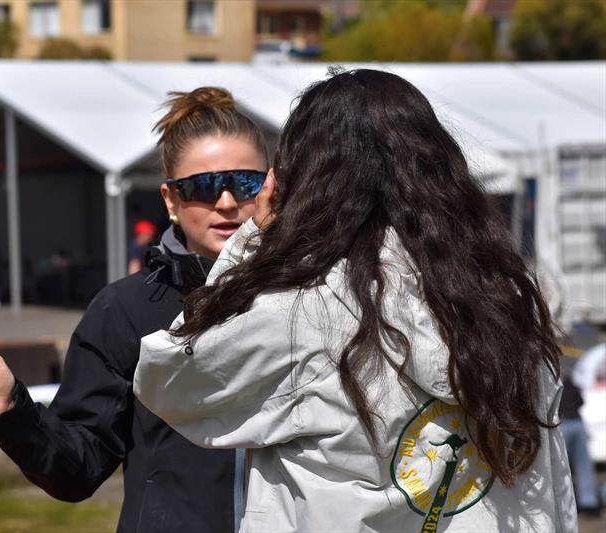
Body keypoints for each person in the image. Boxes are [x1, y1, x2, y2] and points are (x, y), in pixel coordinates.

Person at [134, 69, 577, 532]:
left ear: (302, 184)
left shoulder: (300, 310)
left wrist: (254, 243)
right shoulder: (507, 302)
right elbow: (550, 482)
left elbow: (170, 379)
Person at [0, 87, 269, 532]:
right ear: (171, 200)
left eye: (246, 183)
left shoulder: (316, 295)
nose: (227, 202)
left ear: (272, 188)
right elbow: (76, 469)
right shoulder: (125, 310)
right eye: (203, 187)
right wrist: (11, 412)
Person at [560, 374, 601, 517]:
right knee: (584, 466)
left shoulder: (552, 383)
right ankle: (589, 502)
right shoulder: (571, 381)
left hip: (562, 424)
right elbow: (581, 402)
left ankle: (567, 505)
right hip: (578, 423)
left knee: (563, 468)